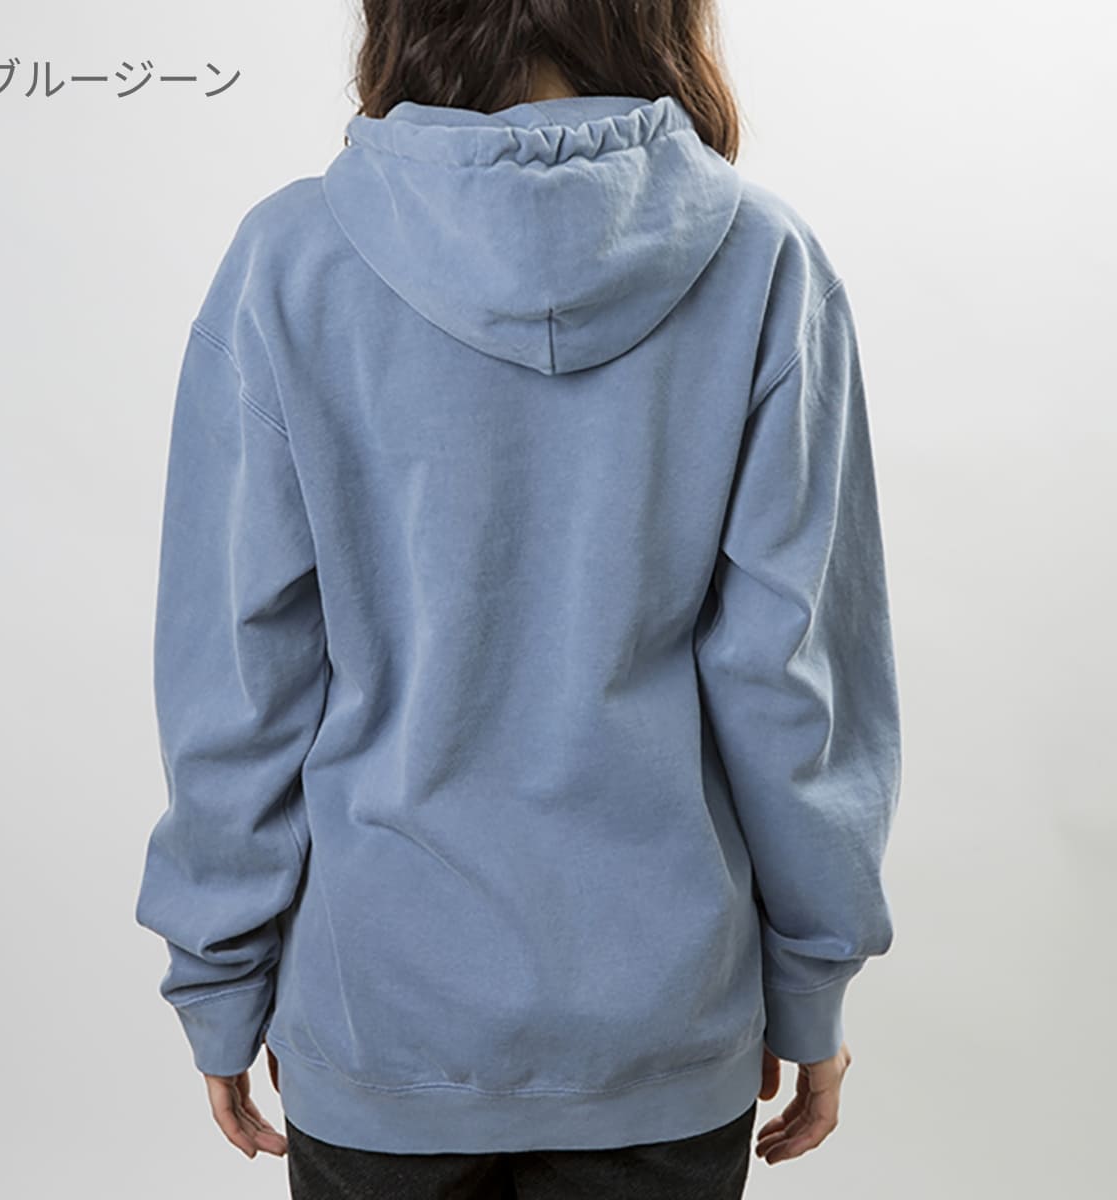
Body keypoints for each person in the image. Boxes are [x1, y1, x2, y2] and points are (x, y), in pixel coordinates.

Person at [133, 2, 902, 1196]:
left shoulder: (291, 262)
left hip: (381, 1019)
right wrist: (811, 987)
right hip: (663, 1027)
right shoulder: (761, 263)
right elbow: (791, 682)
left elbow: (241, 681)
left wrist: (219, 977)